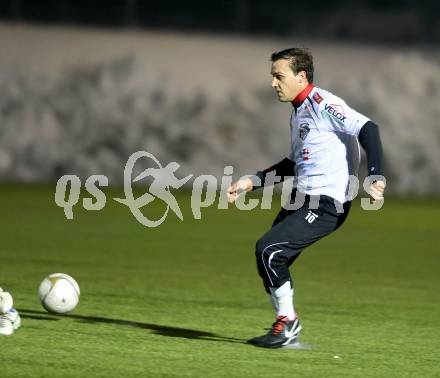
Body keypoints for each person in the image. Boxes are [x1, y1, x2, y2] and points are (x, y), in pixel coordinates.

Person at [227, 48, 385, 349]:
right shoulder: (299, 112)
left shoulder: (323, 103)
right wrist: (254, 181)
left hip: (326, 204)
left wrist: (375, 174)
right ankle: (285, 322)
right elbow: (294, 164)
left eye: (278, 76)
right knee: (270, 260)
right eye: (272, 76)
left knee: (269, 250)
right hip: (302, 198)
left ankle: (287, 323)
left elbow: (368, 128)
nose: (273, 83)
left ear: (301, 77)